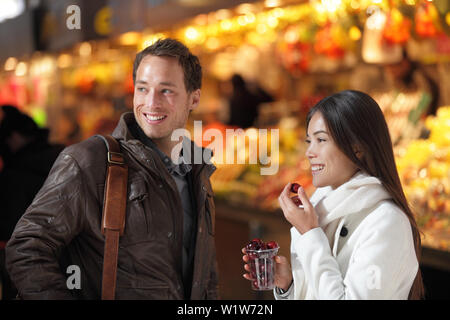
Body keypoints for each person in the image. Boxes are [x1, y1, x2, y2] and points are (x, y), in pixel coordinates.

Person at [6, 38, 219, 300]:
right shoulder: (89, 161)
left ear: (194, 98)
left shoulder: (198, 171)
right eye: (142, 89)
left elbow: (204, 274)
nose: (151, 103)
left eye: (166, 91)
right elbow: (26, 248)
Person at [242, 90, 424, 299]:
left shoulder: (386, 222)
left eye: (321, 140)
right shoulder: (324, 206)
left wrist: (310, 234)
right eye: (309, 141)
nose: (310, 152)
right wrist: (290, 285)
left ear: (357, 148)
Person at [0, 105, 64, 299]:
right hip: (68, 262)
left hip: (28, 268)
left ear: (15, 138)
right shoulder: (63, 158)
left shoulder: (15, 176)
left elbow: (8, 230)